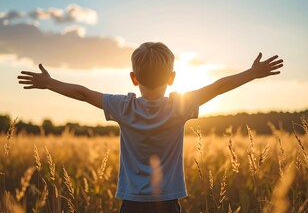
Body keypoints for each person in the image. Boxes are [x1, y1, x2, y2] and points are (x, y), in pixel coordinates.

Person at [17, 42, 283, 213]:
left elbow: (83, 93)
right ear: (172, 78)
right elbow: (218, 87)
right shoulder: (179, 107)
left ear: (134, 79)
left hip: (131, 202)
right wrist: (251, 73)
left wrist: (49, 83)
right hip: (167, 202)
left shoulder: (124, 107)